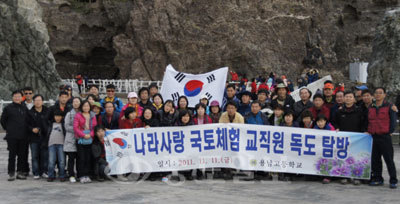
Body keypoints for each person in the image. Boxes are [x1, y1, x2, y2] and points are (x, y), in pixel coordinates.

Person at [334, 91, 367, 185]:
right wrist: (337, 128)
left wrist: (363, 133)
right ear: (343, 99)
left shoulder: (359, 111)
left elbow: (364, 123)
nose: (348, 98)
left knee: (356, 158)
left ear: (354, 99)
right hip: (343, 139)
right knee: (344, 158)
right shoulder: (339, 111)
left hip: (357, 138)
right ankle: (344, 175)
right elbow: (335, 122)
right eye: (346, 97)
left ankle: (357, 176)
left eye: (350, 97)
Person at [367, 87, 398, 189]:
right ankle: (378, 178)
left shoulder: (389, 106)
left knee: (389, 159)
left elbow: (393, 121)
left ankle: (393, 180)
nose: (378, 95)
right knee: (375, 159)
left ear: (384, 95)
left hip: (385, 136)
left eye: (380, 93)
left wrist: (390, 131)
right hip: (373, 136)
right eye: (376, 93)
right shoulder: (371, 107)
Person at [1, 90, 29, 181]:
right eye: (15, 96)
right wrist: (9, 129)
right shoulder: (8, 108)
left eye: (19, 96)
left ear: (22, 97)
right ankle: (11, 173)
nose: (17, 98)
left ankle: (20, 172)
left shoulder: (24, 108)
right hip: (12, 136)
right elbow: (3, 120)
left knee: (22, 155)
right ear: (12, 97)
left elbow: (28, 120)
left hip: (23, 136)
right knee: (12, 155)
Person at [74, 100, 97, 184]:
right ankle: (81, 175)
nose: (86, 107)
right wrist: (83, 135)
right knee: (81, 158)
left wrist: (90, 134)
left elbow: (95, 127)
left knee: (88, 158)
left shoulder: (92, 115)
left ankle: (87, 175)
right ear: (81, 107)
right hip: (80, 139)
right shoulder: (78, 115)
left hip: (90, 139)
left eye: (87, 106)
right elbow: (75, 128)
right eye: (84, 106)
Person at [26, 94, 49, 179]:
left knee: (45, 155)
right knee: (34, 156)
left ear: (42, 101)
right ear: (33, 101)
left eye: (39, 100)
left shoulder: (47, 111)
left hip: (44, 137)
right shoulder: (30, 112)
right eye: (36, 100)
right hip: (33, 137)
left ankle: (44, 171)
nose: (38, 102)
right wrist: (32, 129)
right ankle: (36, 172)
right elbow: (26, 124)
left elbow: (49, 123)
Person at [63, 97, 82, 183]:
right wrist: (77, 129)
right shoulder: (69, 114)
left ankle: (79, 174)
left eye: (77, 101)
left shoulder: (83, 113)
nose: (75, 103)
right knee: (71, 158)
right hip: (71, 138)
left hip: (81, 138)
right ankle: (71, 174)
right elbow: (66, 127)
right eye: (74, 102)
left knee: (79, 158)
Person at [45, 109, 66, 182]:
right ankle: (51, 175)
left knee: (62, 161)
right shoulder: (51, 124)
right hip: (51, 144)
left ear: (62, 117)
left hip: (61, 144)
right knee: (51, 161)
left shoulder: (63, 125)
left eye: (59, 116)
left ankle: (62, 175)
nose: (58, 118)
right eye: (56, 116)